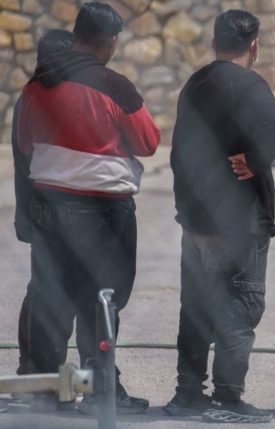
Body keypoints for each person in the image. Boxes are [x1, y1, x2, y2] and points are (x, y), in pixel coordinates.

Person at [16, 2, 159, 414]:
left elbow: (27, 144)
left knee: (51, 299)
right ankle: (101, 391)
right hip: (104, 212)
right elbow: (148, 142)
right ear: (111, 41)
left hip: (49, 208)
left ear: (76, 33)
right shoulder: (115, 86)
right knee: (102, 300)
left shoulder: (36, 85)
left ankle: (48, 393)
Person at [165, 9, 275, 424]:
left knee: (196, 307)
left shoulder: (195, 84)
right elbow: (274, 125)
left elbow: (178, 154)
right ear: (254, 45)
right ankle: (227, 400)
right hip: (238, 221)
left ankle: (187, 393)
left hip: (197, 220)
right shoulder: (251, 86)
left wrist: (188, 214)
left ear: (214, 43)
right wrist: (255, 160)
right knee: (240, 306)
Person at [11, 28, 74, 379]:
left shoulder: (32, 96)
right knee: (47, 290)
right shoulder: (39, 99)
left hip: (39, 208)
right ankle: (36, 367)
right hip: (47, 209)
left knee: (42, 286)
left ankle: (35, 365)